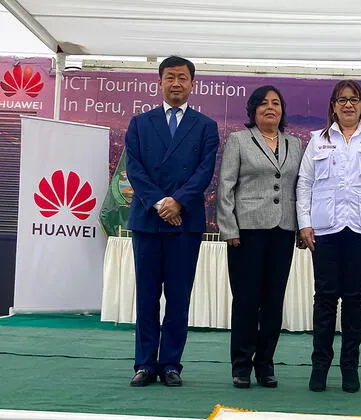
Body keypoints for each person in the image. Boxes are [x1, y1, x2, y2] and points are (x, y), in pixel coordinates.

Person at [125, 56, 220, 387]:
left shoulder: (206, 125)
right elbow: (134, 169)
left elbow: (204, 171)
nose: (176, 83)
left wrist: (177, 201)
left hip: (185, 221)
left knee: (179, 298)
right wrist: (159, 201)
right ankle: (144, 363)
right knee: (147, 296)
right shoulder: (140, 123)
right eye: (170, 77)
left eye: (183, 77)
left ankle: (170, 365)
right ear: (160, 82)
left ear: (193, 84)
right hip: (148, 220)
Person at [297, 80, 361, 393]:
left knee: (355, 300)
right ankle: (319, 367)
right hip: (325, 229)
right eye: (342, 100)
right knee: (324, 299)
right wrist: (305, 223)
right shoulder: (318, 140)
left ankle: (349, 368)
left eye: (354, 100)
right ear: (334, 106)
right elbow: (304, 184)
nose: (348, 105)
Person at [216, 85, 303, 389]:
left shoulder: (295, 143)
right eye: (263, 103)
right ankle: (241, 366)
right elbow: (225, 186)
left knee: (273, 301)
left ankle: (265, 364)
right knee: (246, 300)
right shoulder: (239, 140)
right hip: (246, 231)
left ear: (283, 110)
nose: (270, 108)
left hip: (283, 231)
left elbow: (299, 188)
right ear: (252, 110)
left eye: (276, 103)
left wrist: (302, 226)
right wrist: (229, 229)